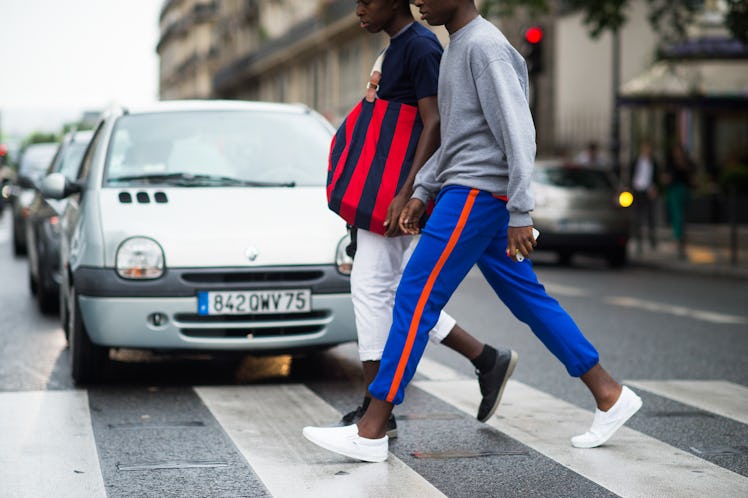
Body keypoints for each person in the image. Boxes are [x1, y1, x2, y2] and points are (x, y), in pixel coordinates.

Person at [304, 0, 642, 463]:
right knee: (529, 300)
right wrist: (422, 189)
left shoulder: (485, 47)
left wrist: (522, 210)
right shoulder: (458, 45)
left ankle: (371, 429)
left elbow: (519, 133)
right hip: (468, 191)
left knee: (414, 296)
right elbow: (460, 138)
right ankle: (609, 393)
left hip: (477, 195)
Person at [334, 0, 519, 438]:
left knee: (390, 290)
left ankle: (378, 408)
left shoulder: (421, 46)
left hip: (405, 194)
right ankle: (484, 360)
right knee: (394, 291)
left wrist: (409, 192)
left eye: (366, 1)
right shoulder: (399, 45)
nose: (358, 10)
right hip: (389, 193)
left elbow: (437, 123)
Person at [662, 144, 694, 259]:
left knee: (682, 215)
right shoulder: (671, 164)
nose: (677, 154)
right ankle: (678, 237)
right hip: (673, 191)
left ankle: (681, 236)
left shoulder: (687, 163)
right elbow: (665, 178)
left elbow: (691, 178)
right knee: (677, 215)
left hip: (683, 190)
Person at [629, 141, 659, 253]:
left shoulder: (653, 162)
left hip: (649, 191)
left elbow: (657, 177)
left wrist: (654, 188)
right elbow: (632, 175)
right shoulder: (636, 161)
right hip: (638, 190)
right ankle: (638, 240)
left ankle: (652, 239)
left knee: (651, 216)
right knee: (638, 216)